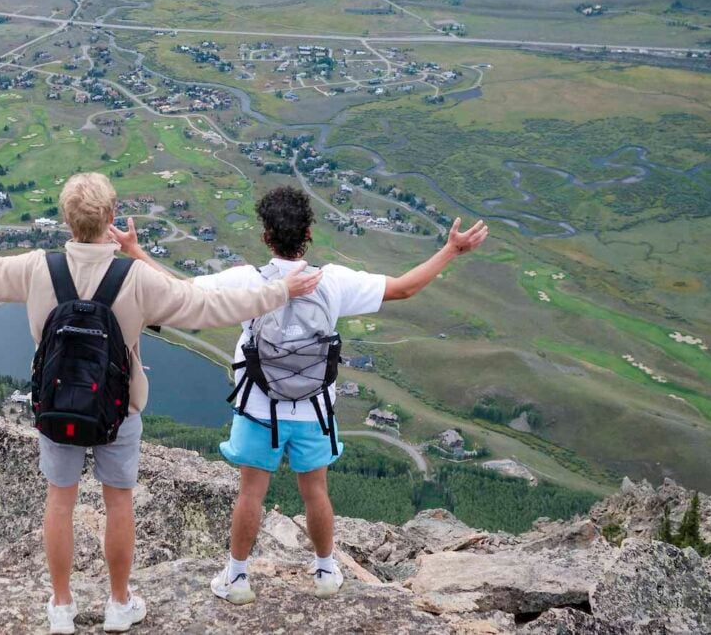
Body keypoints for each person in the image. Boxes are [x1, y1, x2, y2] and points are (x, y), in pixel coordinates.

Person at [0, 174, 323, 634]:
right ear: (110, 217)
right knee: (118, 503)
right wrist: (281, 291)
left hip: (57, 406)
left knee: (60, 502)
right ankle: (118, 605)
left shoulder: (37, 268)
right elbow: (209, 306)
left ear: (67, 220)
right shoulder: (137, 278)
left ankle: (61, 607)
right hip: (117, 410)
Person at [113, 185, 488, 604]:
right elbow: (403, 288)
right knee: (316, 491)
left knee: (251, 493)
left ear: (266, 237)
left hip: (258, 408)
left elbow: (180, 293)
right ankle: (326, 570)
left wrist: (135, 252)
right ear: (308, 232)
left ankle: (237, 578)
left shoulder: (246, 281)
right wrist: (451, 251)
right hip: (315, 410)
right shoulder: (333, 283)